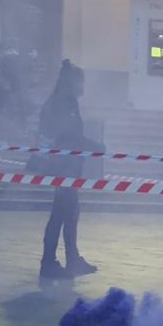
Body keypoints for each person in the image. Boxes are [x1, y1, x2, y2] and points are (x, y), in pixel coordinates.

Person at [36, 60, 103, 285]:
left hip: (65, 166)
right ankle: (48, 262)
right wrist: (95, 146)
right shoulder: (65, 102)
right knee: (61, 214)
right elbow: (69, 135)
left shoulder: (59, 100)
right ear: (73, 82)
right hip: (63, 166)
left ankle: (71, 258)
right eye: (81, 81)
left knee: (70, 213)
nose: (83, 86)